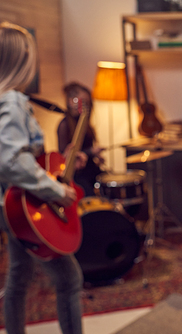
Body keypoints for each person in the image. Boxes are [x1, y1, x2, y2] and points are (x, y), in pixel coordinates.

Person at [0, 22, 84, 334]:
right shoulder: (12, 102)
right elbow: (10, 161)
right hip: (26, 204)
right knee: (69, 279)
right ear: (22, 58)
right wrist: (55, 191)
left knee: (19, 277)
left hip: (13, 208)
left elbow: (25, 159)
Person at [58, 82, 105, 197]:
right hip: (77, 175)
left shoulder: (84, 122)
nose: (85, 106)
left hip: (91, 170)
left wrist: (96, 156)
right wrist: (90, 152)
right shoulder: (64, 125)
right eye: (82, 102)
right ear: (70, 101)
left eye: (87, 103)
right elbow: (64, 156)